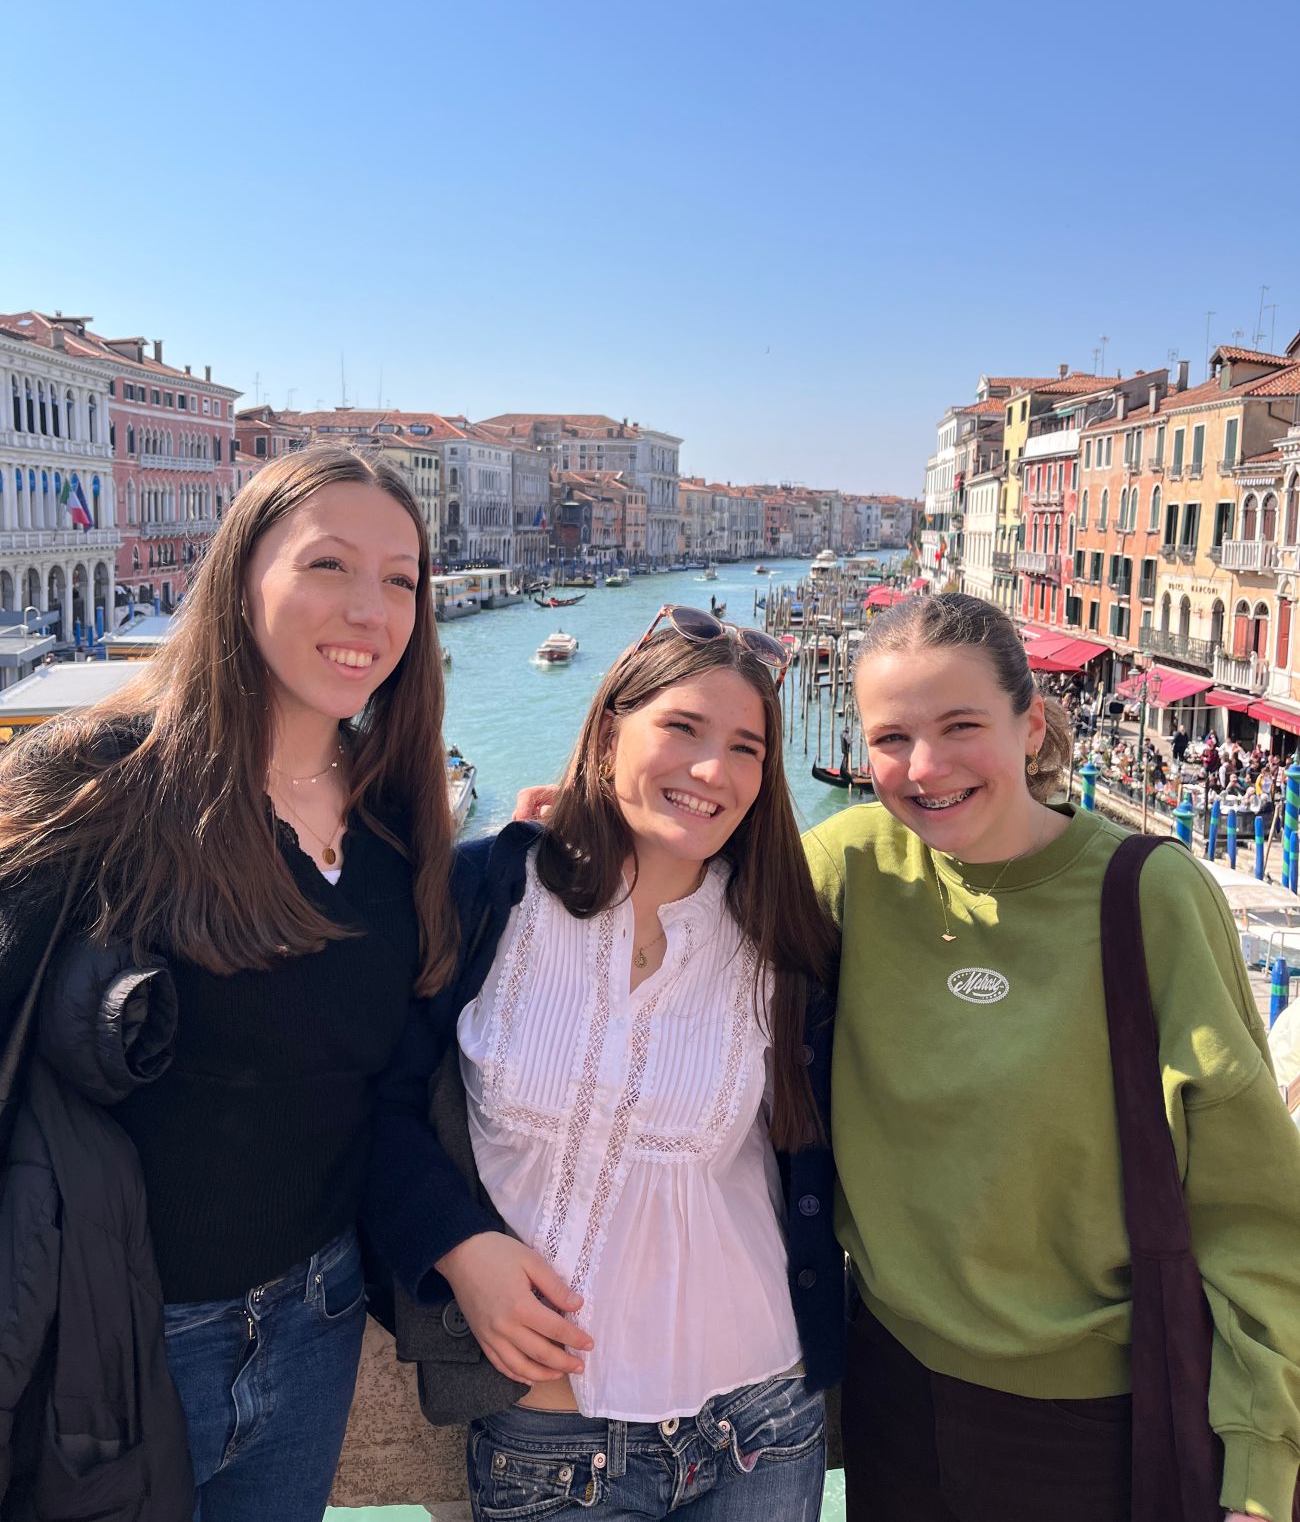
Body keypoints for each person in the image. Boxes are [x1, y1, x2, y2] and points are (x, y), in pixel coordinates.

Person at [0, 445, 455, 1521]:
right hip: (116, 1341)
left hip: (319, 1318)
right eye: (329, 564)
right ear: (242, 574)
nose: (370, 608)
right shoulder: (101, 781)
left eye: (400, 579)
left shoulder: (399, 817)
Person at [804, 593, 1300, 1522]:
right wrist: (565, 849)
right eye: (891, 738)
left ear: (1031, 726)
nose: (926, 766)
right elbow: (680, 927)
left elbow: (1254, 1208)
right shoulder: (851, 863)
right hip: (889, 1391)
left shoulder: (1153, 896)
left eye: (961, 726)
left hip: (1096, 1422)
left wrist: (1260, 1473)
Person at [367, 604, 840, 1521]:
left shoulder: (787, 944)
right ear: (611, 729)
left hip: (764, 1419)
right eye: (683, 727)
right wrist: (457, 1247)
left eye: (746, 747)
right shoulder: (482, 894)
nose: (714, 770)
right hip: (550, 1442)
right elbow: (375, 1099)